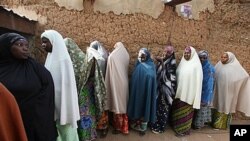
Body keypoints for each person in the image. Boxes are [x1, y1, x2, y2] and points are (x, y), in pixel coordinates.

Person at [0, 33, 57, 141]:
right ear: (6, 47)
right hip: (8, 120)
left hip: (33, 122)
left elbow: (47, 89)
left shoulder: (35, 67)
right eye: (20, 45)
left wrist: (34, 108)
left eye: (26, 46)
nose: (25, 49)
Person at [41, 30, 80, 141]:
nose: (43, 45)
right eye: (42, 42)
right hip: (53, 101)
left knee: (66, 129)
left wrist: (64, 105)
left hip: (63, 102)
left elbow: (67, 87)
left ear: (54, 42)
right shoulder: (50, 58)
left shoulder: (64, 60)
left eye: (45, 42)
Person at [212, 52, 250, 129]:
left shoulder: (235, 67)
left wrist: (235, 83)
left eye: (225, 57)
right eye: (222, 57)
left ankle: (222, 125)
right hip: (219, 91)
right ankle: (215, 123)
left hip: (229, 93)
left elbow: (245, 76)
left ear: (230, 58)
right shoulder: (219, 65)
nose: (222, 59)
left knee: (226, 106)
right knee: (218, 105)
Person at [171, 46, 203, 136]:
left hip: (189, 96)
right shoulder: (182, 63)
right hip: (179, 93)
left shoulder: (196, 66)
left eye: (188, 53)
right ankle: (177, 128)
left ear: (192, 54)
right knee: (177, 113)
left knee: (185, 115)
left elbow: (198, 83)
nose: (186, 54)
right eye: (185, 53)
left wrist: (196, 98)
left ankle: (183, 131)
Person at [127, 48, 157, 135]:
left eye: (143, 56)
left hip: (146, 92)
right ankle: (135, 125)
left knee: (145, 107)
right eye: (139, 56)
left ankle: (143, 129)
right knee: (136, 106)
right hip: (137, 92)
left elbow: (152, 77)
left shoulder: (151, 66)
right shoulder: (138, 65)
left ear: (147, 56)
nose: (141, 58)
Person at [150, 45, 177, 134]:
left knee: (163, 109)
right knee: (157, 107)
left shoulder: (172, 63)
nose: (165, 53)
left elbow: (170, 77)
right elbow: (157, 72)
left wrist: (162, 63)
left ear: (172, 53)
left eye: (168, 52)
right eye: (165, 51)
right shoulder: (163, 60)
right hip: (159, 89)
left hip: (166, 91)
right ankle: (154, 124)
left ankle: (160, 127)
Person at [105, 42, 130, 135]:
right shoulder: (126, 54)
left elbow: (110, 66)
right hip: (124, 82)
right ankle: (125, 127)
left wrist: (109, 55)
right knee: (123, 105)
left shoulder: (112, 57)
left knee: (117, 105)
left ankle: (118, 128)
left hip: (117, 83)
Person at [192, 50, 215, 129]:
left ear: (207, 58)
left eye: (204, 57)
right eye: (200, 57)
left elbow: (209, 84)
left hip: (205, 93)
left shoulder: (208, 68)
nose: (202, 59)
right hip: (199, 91)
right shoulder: (199, 66)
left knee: (202, 110)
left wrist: (205, 98)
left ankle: (198, 126)